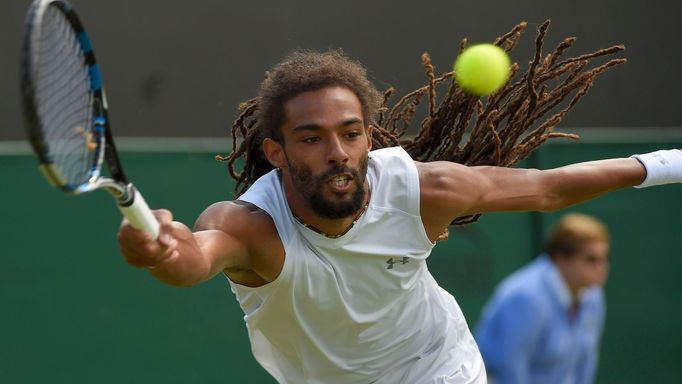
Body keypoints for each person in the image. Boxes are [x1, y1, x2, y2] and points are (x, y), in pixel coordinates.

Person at [117, 28, 682, 384]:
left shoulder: (422, 189)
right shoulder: (252, 227)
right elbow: (192, 258)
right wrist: (155, 251)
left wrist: (673, 163)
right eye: (312, 138)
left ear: (370, 137)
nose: (338, 153)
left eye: (351, 133)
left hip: (440, 368)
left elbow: (551, 187)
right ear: (277, 152)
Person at [475, 213, 610, 384]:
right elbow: (508, 369)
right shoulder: (525, 297)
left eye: (604, 259)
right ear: (561, 258)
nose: (602, 267)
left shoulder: (593, 295)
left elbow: (585, 362)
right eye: (591, 259)